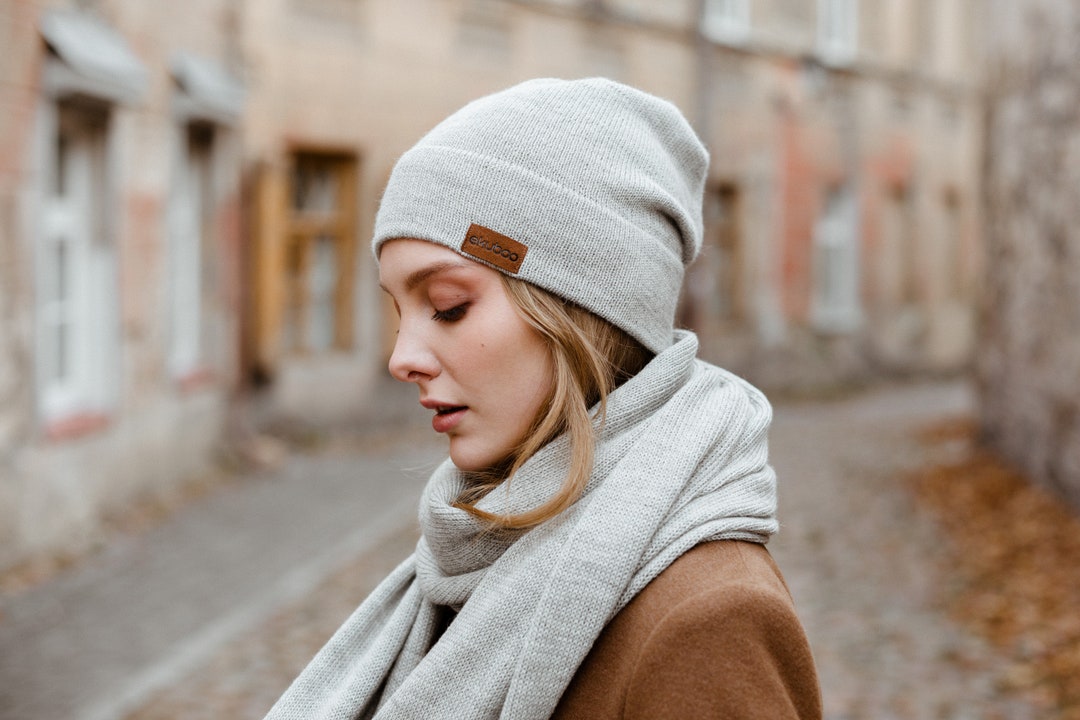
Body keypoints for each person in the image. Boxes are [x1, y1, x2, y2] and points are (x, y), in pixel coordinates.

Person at [265, 77, 821, 720]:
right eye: (399, 313)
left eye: (447, 307)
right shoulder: (468, 561)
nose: (401, 358)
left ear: (577, 312)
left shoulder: (709, 622)